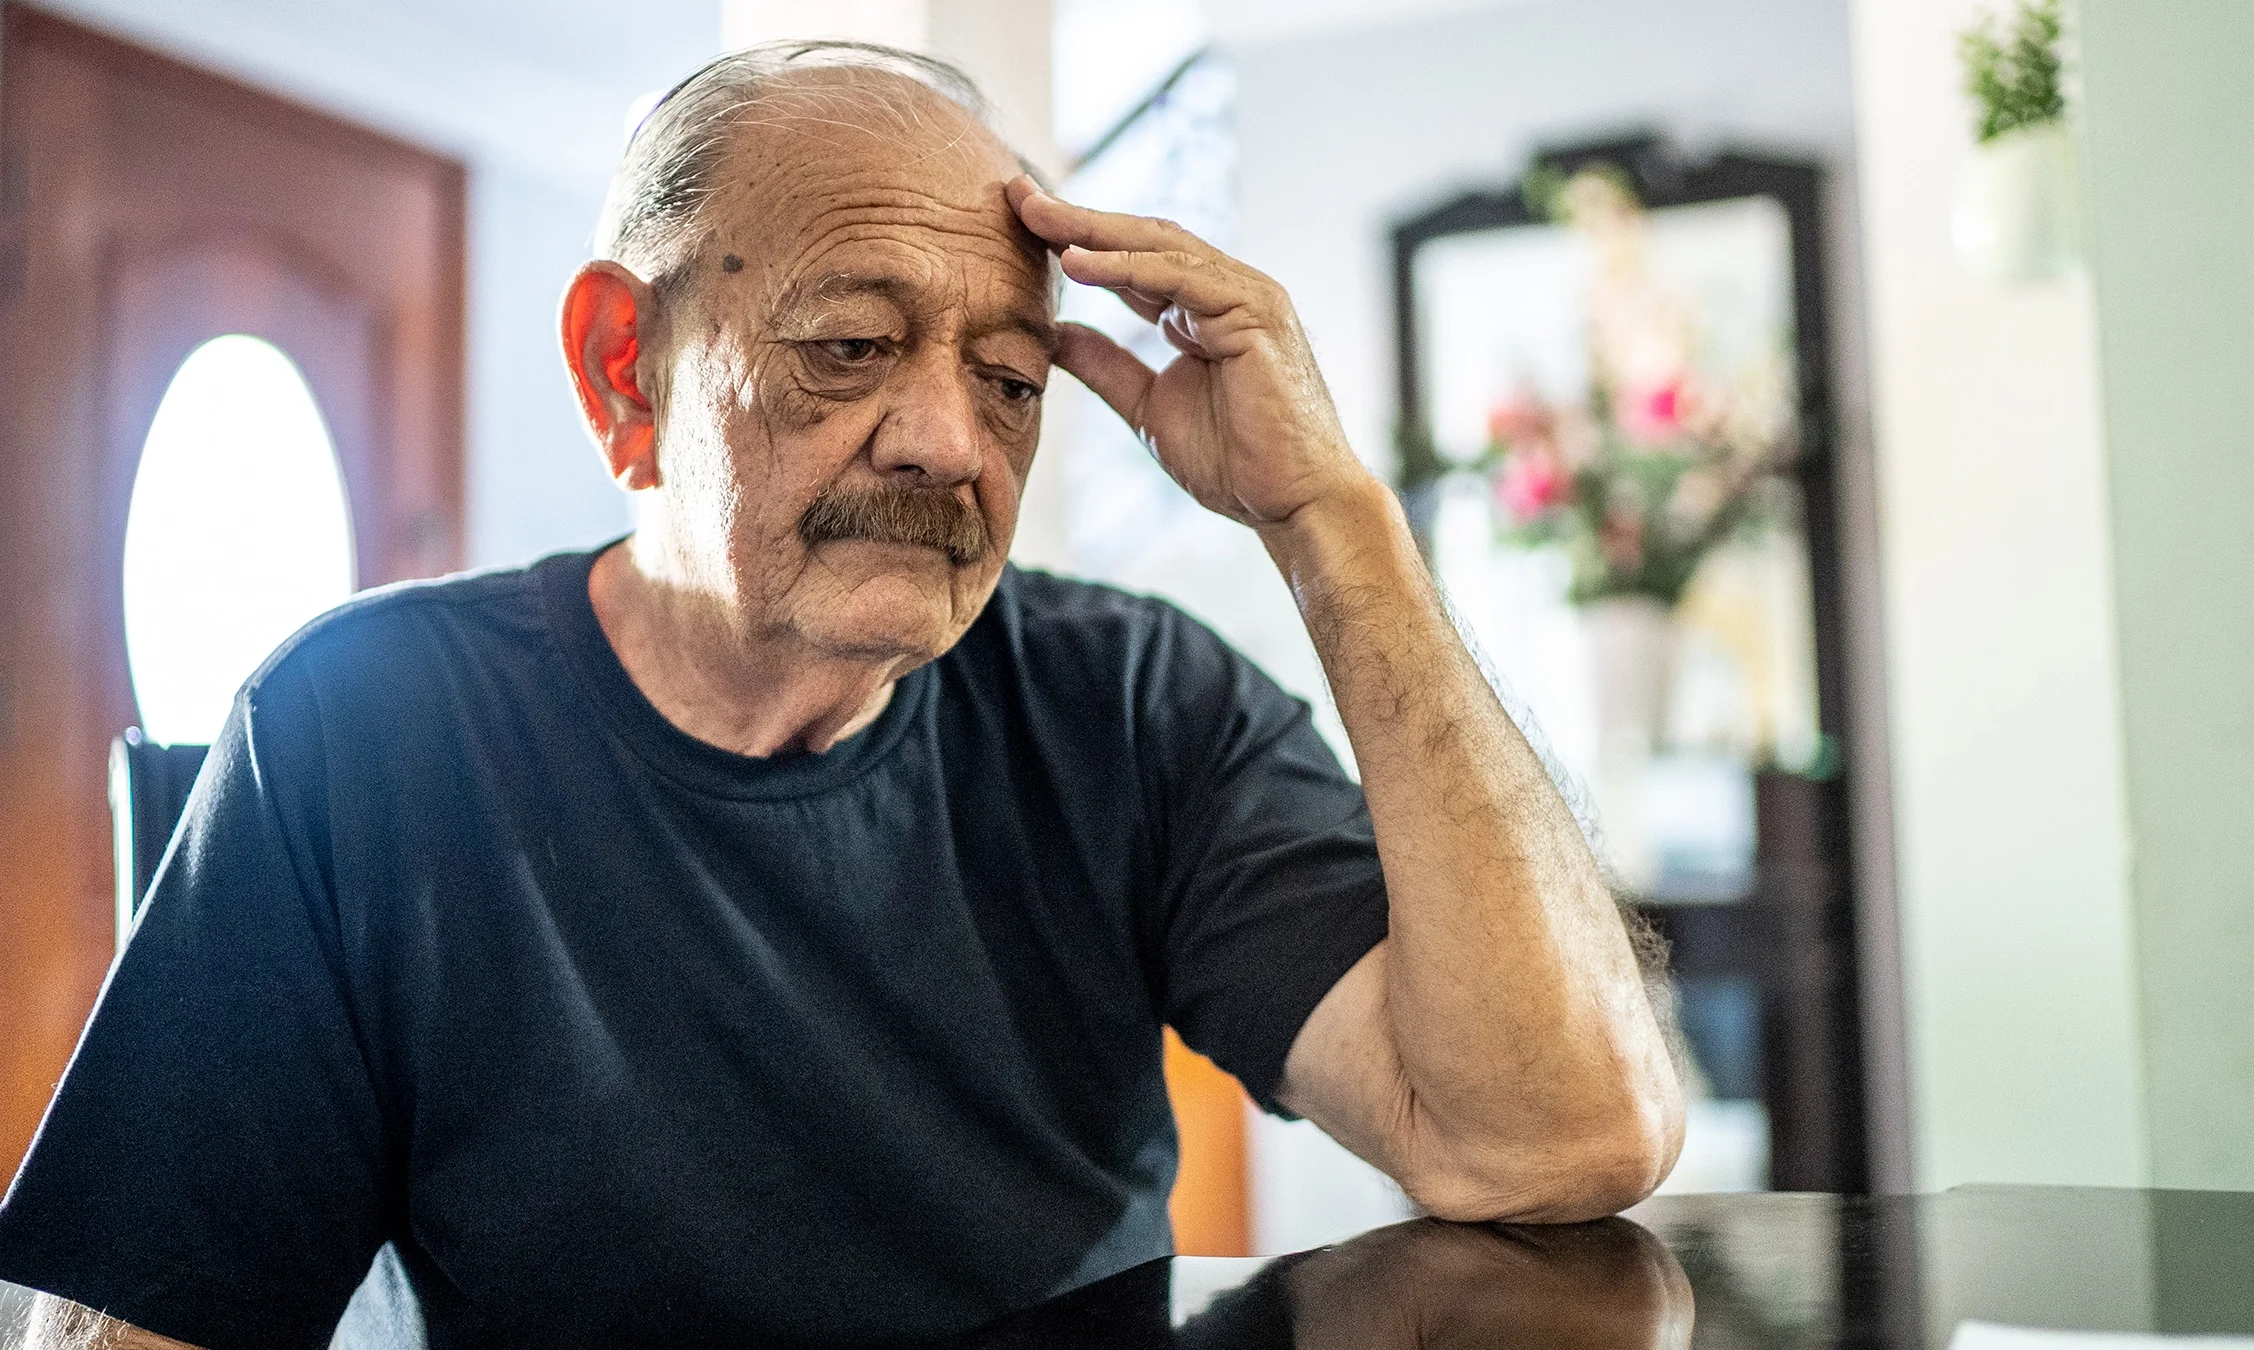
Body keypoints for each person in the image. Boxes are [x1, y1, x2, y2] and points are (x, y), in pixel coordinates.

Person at [0, 41, 1683, 1350]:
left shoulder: (1133, 701)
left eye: (1012, 379)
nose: (953, 442)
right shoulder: (360, 732)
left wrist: (1338, 526)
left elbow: (1556, 1137)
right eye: (850, 347)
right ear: (622, 370)